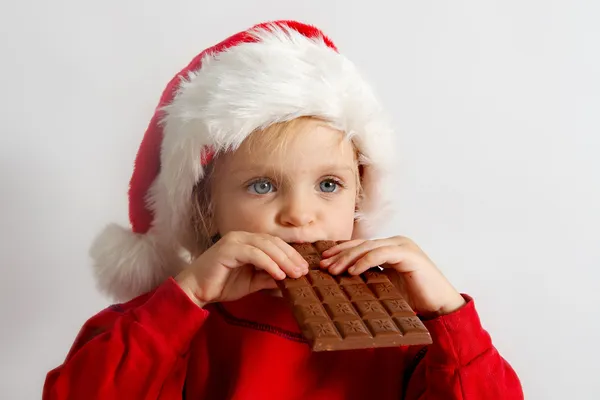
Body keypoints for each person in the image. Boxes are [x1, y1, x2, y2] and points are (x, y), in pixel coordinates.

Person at [43, 20, 523, 399]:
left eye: (329, 184)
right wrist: (183, 299)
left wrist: (448, 316)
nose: (299, 214)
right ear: (207, 210)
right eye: (262, 185)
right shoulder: (160, 327)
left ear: (360, 197)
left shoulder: (409, 338)